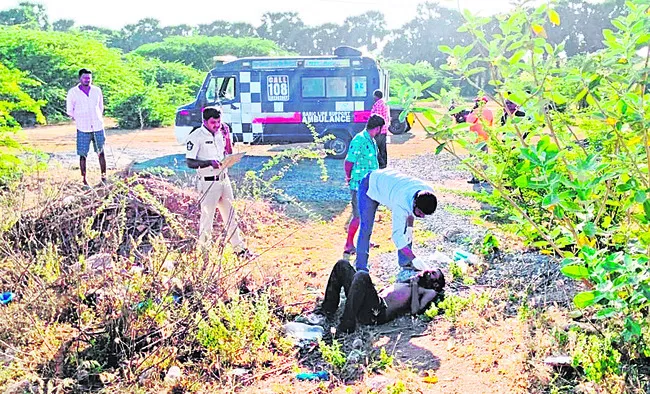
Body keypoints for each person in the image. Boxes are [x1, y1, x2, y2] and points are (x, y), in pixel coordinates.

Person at [186, 107, 251, 258]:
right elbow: (190, 162)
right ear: (205, 121)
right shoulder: (196, 135)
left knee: (231, 216)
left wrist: (227, 138)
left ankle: (239, 250)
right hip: (208, 182)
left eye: (218, 121)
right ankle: (204, 255)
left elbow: (227, 152)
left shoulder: (222, 132)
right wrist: (209, 162)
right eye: (213, 122)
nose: (216, 125)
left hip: (224, 179)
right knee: (207, 218)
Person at [316, 260, 445, 334]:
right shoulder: (414, 281)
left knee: (362, 276)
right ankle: (328, 309)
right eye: (431, 270)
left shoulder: (429, 291)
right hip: (370, 302)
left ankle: (347, 324)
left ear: (435, 283)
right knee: (342, 265)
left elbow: (416, 310)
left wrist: (416, 286)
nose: (429, 272)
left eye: (433, 274)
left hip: (377, 313)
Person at [355, 169, 438, 282]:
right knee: (366, 228)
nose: (422, 217)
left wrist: (409, 228)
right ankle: (361, 268)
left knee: (405, 229)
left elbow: (411, 212)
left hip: (388, 186)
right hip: (369, 185)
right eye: (420, 213)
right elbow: (396, 236)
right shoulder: (401, 202)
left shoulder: (428, 192)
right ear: (414, 203)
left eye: (425, 214)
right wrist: (415, 258)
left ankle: (406, 262)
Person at [343, 114, 384, 255]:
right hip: (358, 185)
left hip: (370, 184)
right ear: (378, 128)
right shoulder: (359, 139)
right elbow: (349, 161)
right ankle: (348, 244)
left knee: (368, 214)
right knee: (358, 215)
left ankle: (364, 240)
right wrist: (348, 177)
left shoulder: (371, 140)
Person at [66, 68, 106, 186]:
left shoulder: (97, 91)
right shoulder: (73, 92)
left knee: (101, 152)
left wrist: (97, 117)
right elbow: (69, 110)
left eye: (89, 78)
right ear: (80, 78)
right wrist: (79, 118)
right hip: (83, 128)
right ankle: (84, 180)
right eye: (85, 78)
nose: (87, 80)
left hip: (98, 126)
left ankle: (104, 178)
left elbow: (100, 107)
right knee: (83, 154)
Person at [465, 97, 494, 184]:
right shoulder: (489, 112)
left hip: (475, 138)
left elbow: (469, 122)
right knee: (484, 158)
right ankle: (486, 177)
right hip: (484, 137)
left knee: (473, 158)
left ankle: (475, 177)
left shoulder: (475, 112)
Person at [370, 90, 390, 169]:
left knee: (377, 148)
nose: (373, 98)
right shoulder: (385, 103)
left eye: (374, 96)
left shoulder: (378, 104)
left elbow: (377, 118)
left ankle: (380, 165)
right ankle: (384, 164)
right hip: (384, 129)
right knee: (383, 148)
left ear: (376, 96)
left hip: (379, 131)